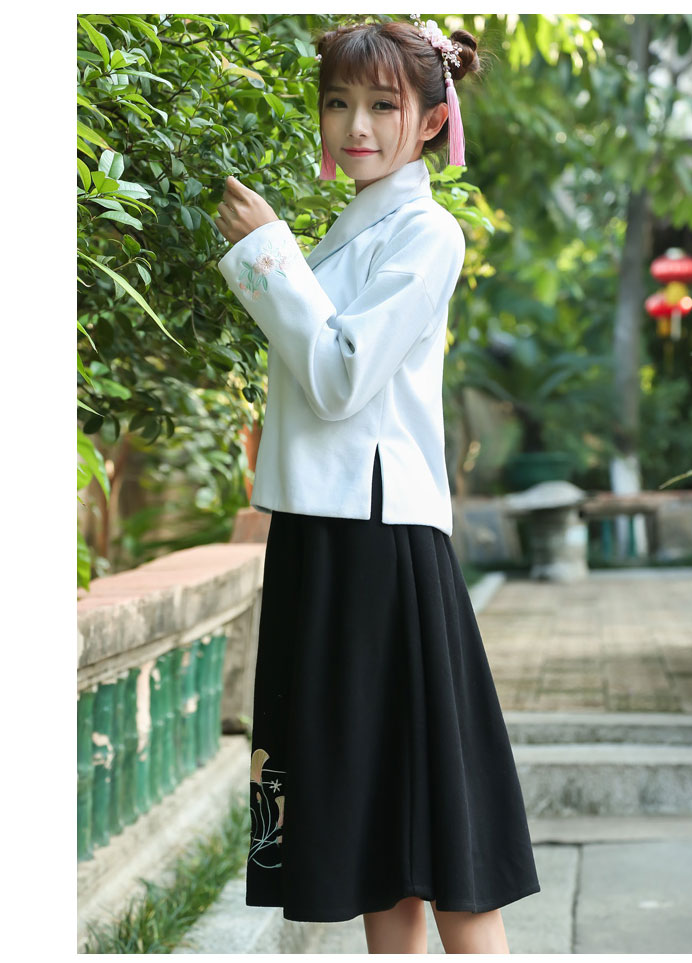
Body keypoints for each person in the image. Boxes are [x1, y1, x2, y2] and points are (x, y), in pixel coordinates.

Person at [213, 15, 540, 954]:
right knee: (371, 837)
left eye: (383, 106)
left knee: (442, 834)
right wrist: (282, 256)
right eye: (338, 102)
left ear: (432, 121)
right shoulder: (354, 232)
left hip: (375, 543)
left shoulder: (426, 233)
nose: (355, 126)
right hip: (324, 534)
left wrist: (268, 254)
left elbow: (340, 378)